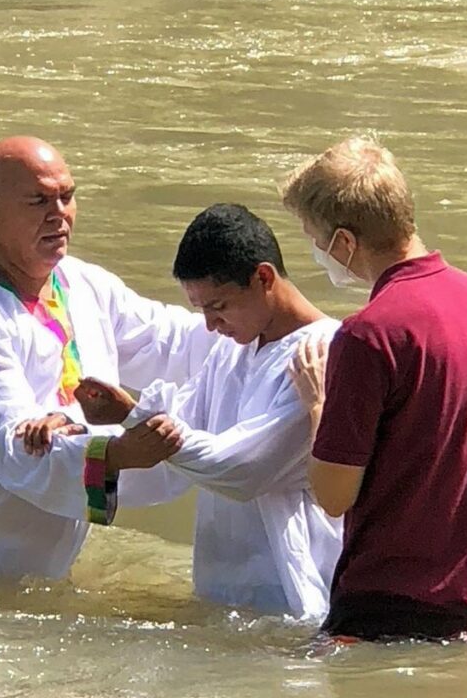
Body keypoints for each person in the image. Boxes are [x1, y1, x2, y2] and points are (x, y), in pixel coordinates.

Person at [0, 136, 215, 586]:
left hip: (43, 562)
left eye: (67, 196)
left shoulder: (82, 283)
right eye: (39, 200)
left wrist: (280, 330)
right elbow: (16, 444)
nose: (59, 213)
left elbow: (174, 342)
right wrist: (116, 453)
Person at [282, 135, 467, 642]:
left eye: (314, 236)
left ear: (344, 242)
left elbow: (333, 494)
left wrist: (319, 405)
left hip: (387, 611)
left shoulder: (368, 335)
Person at [65, 204, 343, 620]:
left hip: (292, 593)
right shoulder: (235, 347)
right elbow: (184, 414)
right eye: (202, 312)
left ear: (263, 278)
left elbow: (243, 469)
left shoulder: (322, 353)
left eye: (219, 306)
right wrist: (88, 420)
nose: (212, 325)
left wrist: (134, 417)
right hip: (221, 587)